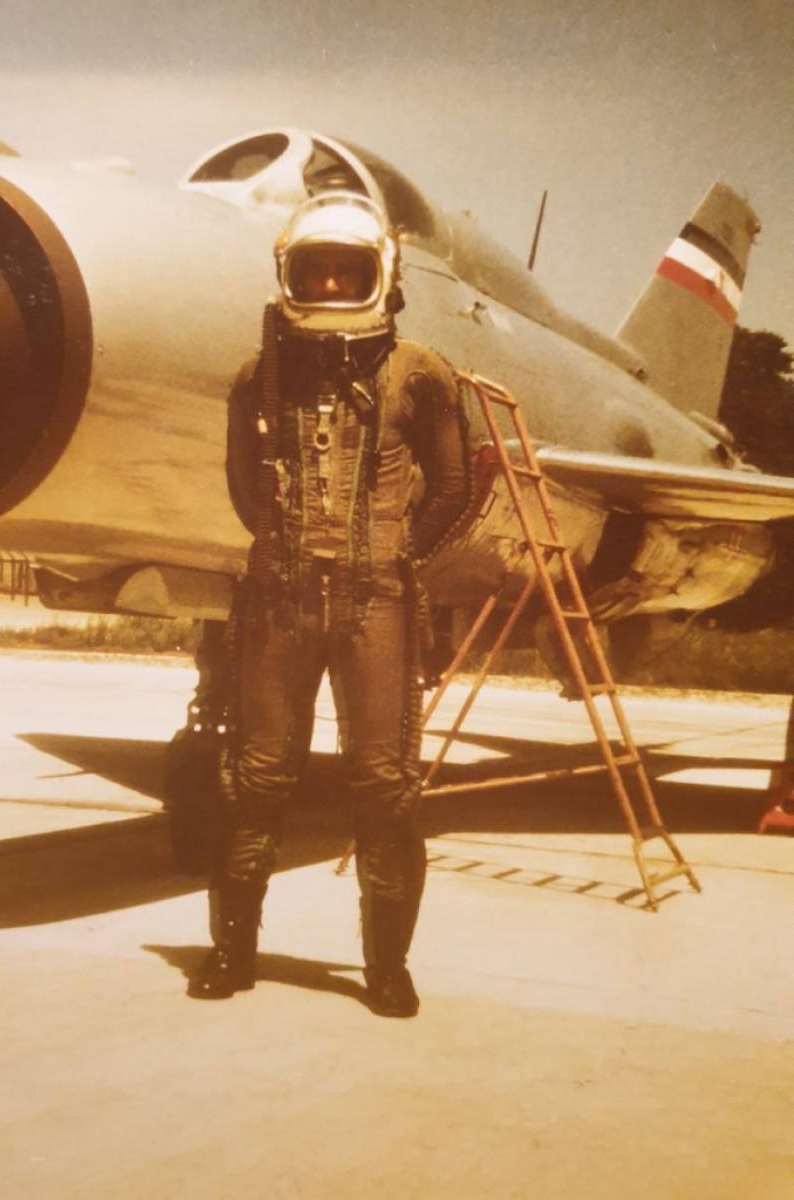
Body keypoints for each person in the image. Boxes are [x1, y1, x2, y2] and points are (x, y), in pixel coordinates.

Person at [190, 192, 470, 1017]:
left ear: (379, 274)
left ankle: (386, 969)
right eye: (319, 271)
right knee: (257, 778)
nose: (335, 284)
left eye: (349, 271)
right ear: (292, 275)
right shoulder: (259, 376)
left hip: (376, 602)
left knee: (385, 786)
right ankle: (231, 954)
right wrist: (286, 550)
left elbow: (454, 487)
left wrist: (395, 554)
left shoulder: (419, 373)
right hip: (280, 604)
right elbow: (244, 487)